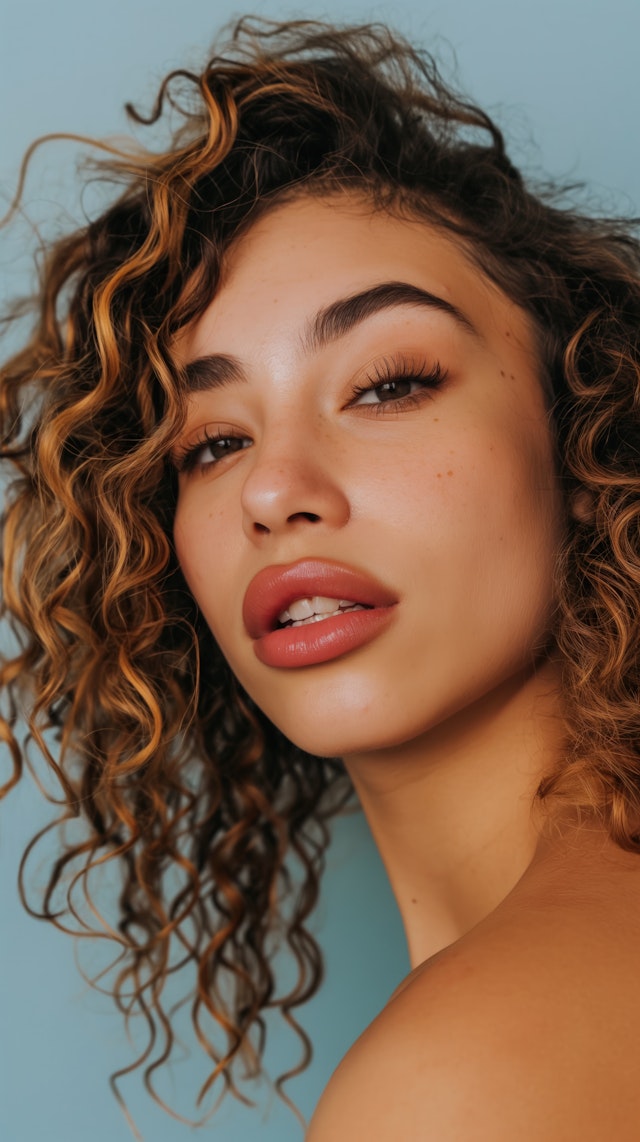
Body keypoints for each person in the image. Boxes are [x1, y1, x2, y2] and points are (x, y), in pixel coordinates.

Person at [2, 16, 640, 1140]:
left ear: (588, 436)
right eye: (210, 442)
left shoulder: (470, 1077)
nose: (272, 489)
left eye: (387, 383)